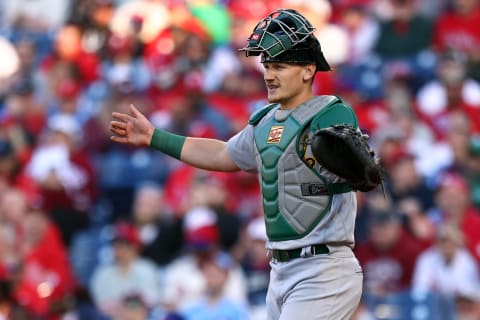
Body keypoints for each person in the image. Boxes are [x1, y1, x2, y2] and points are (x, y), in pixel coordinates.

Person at [110, 8, 370, 319]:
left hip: (323, 267)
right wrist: (156, 137)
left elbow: (356, 165)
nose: (269, 75)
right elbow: (223, 155)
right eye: (267, 66)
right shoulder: (264, 123)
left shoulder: (330, 113)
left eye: (280, 66)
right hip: (281, 269)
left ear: (308, 69)